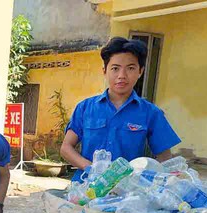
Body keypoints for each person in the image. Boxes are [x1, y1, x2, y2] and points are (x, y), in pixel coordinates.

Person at [61, 37, 181, 181]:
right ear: (104, 71)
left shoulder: (151, 113)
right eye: (115, 68)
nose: (122, 76)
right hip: (85, 189)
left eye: (130, 68)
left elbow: (165, 159)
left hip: (128, 194)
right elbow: (66, 148)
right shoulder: (85, 108)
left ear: (140, 71)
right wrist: (91, 169)